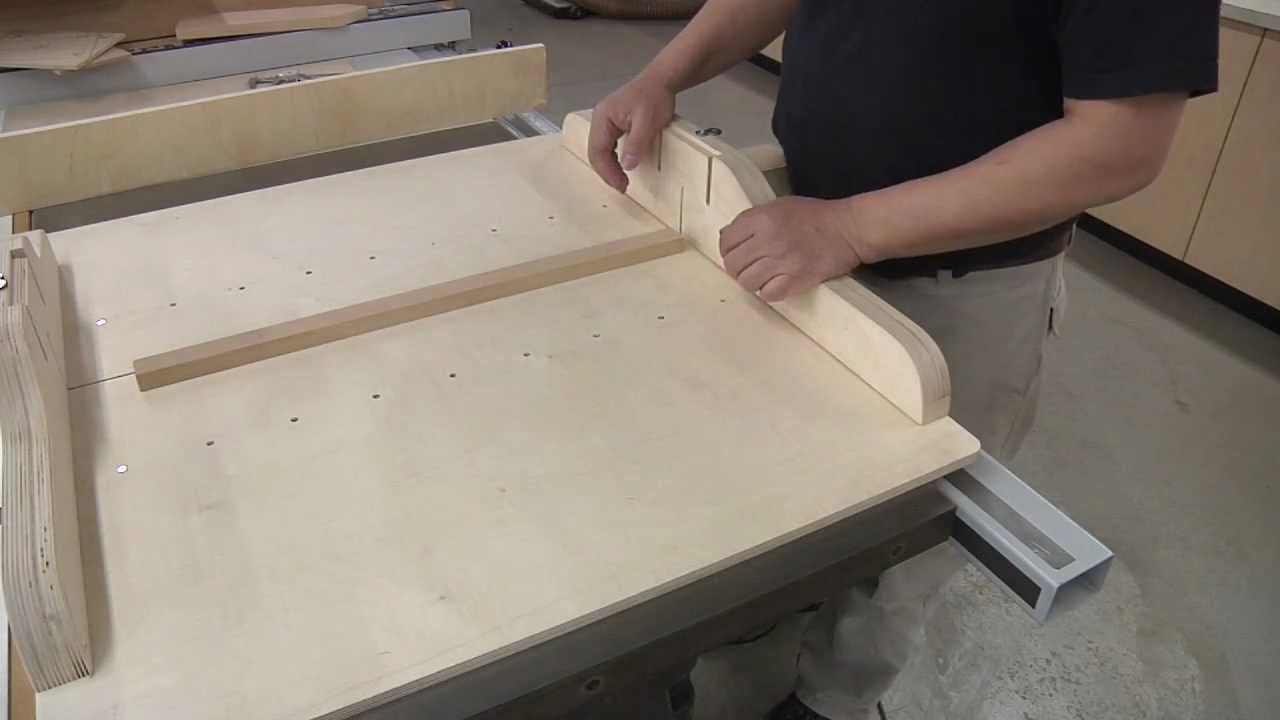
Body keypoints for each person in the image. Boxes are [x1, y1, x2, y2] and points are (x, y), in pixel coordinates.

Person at [586, 1, 1220, 718]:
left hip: (962, 287)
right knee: (764, 467)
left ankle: (833, 697)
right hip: (800, 223)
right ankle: (765, 608)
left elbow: (1121, 141)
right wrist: (664, 75)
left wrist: (853, 228)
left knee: (905, 542)